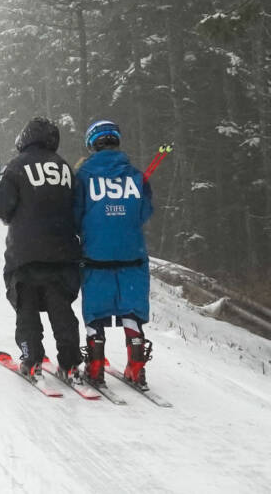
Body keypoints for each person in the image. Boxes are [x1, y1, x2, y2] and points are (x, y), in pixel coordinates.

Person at [0, 117, 84, 382]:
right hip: (62, 252)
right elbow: (78, 207)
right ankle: (70, 362)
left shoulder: (15, 166)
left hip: (25, 253)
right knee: (61, 310)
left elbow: (0, 202)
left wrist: (14, 217)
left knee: (26, 308)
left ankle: (31, 359)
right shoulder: (64, 167)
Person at [73, 119, 155, 389]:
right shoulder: (137, 176)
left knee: (96, 310)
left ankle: (95, 367)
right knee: (131, 308)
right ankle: (136, 366)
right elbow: (145, 213)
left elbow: (75, 214)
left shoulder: (83, 176)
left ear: (91, 144)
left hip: (95, 255)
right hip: (132, 254)